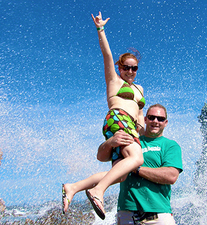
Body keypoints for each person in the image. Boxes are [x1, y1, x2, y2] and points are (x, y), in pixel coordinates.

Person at [62, 12, 145, 220]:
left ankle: (73, 187)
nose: (130, 71)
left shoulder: (140, 89)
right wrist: (100, 29)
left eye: (134, 68)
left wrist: (143, 129)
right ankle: (98, 191)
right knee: (136, 158)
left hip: (130, 126)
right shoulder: (114, 81)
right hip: (118, 118)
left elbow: (140, 115)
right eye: (126, 67)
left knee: (121, 173)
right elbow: (106, 54)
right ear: (120, 67)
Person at [98, 104, 183, 225]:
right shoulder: (131, 141)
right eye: (151, 117)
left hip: (158, 214)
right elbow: (101, 157)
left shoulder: (170, 145)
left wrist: (135, 168)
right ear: (145, 119)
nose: (155, 121)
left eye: (160, 119)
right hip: (127, 212)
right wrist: (110, 142)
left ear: (166, 122)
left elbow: (171, 176)